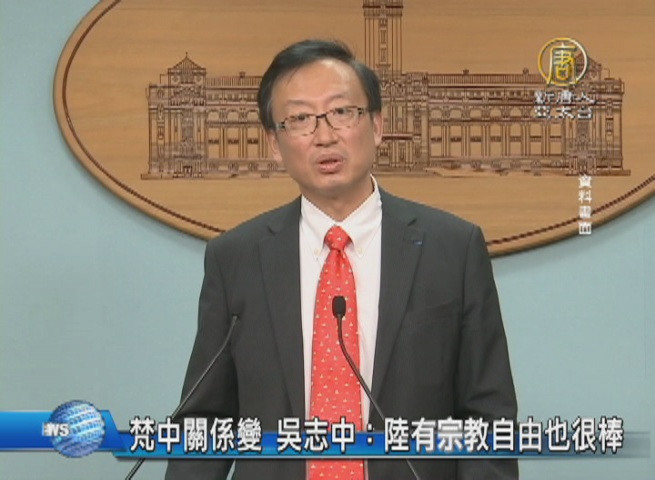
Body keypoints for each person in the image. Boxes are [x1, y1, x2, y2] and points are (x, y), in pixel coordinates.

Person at [165, 39, 518, 480]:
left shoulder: (452, 248)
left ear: (377, 125)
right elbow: (204, 424)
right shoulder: (236, 258)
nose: (325, 135)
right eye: (300, 119)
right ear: (274, 143)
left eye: (341, 112)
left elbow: (487, 416)